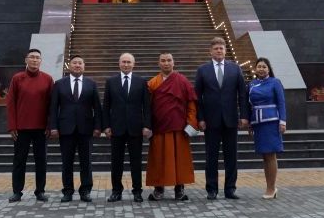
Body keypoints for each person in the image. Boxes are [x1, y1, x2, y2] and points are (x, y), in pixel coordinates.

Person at [194, 36, 249, 200]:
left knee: (231, 155)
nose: (219, 51)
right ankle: (211, 189)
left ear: (225, 50)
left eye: (221, 48)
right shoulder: (202, 70)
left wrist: (244, 115)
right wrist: (200, 118)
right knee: (211, 156)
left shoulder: (235, 69)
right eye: (216, 48)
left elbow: (242, 94)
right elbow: (197, 97)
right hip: (210, 121)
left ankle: (230, 189)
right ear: (210, 51)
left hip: (231, 119)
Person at [48, 55, 102, 202]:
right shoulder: (59, 84)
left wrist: (98, 126)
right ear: (69, 66)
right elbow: (53, 108)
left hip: (86, 129)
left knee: (86, 161)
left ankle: (85, 190)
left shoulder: (91, 84)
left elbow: (97, 107)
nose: (77, 65)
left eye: (80, 63)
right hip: (66, 129)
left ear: (84, 66)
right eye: (74, 63)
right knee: (67, 162)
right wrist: (53, 127)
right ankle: (67, 191)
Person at [146, 52, 198, 201]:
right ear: (159, 63)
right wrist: (147, 126)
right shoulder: (152, 83)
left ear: (174, 63)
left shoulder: (182, 80)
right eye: (163, 60)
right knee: (158, 159)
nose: (166, 63)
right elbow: (147, 107)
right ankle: (158, 189)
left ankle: (179, 189)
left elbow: (191, 103)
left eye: (169, 60)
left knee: (179, 158)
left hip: (179, 127)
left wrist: (191, 122)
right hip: (159, 127)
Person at [6, 48, 54, 203]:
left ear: (41, 61)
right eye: (32, 57)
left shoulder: (47, 79)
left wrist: (49, 125)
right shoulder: (17, 78)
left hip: (41, 128)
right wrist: (12, 126)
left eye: (37, 58)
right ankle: (17, 192)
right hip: (21, 129)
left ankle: (40, 191)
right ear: (26, 60)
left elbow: (51, 105)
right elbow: (11, 103)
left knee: (41, 161)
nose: (34, 60)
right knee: (19, 161)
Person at [103, 52, 151, 203]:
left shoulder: (141, 81)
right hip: (116, 128)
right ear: (119, 63)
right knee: (116, 161)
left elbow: (147, 107)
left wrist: (147, 126)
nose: (126, 64)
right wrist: (106, 126)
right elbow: (106, 106)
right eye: (123, 62)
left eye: (129, 62)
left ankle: (137, 191)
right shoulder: (111, 81)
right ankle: (116, 191)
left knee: (136, 162)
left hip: (136, 128)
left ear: (133, 64)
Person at [248, 57, 287, 199]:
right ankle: (269, 186)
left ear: (268, 69)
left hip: (271, 122)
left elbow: (281, 102)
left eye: (264, 66)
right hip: (258, 123)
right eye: (259, 66)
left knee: (271, 155)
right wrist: (251, 123)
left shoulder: (275, 82)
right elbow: (249, 105)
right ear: (255, 69)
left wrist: (283, 121)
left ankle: (271, 188)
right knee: (264, 156)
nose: (261, 69)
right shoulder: (252, 84)